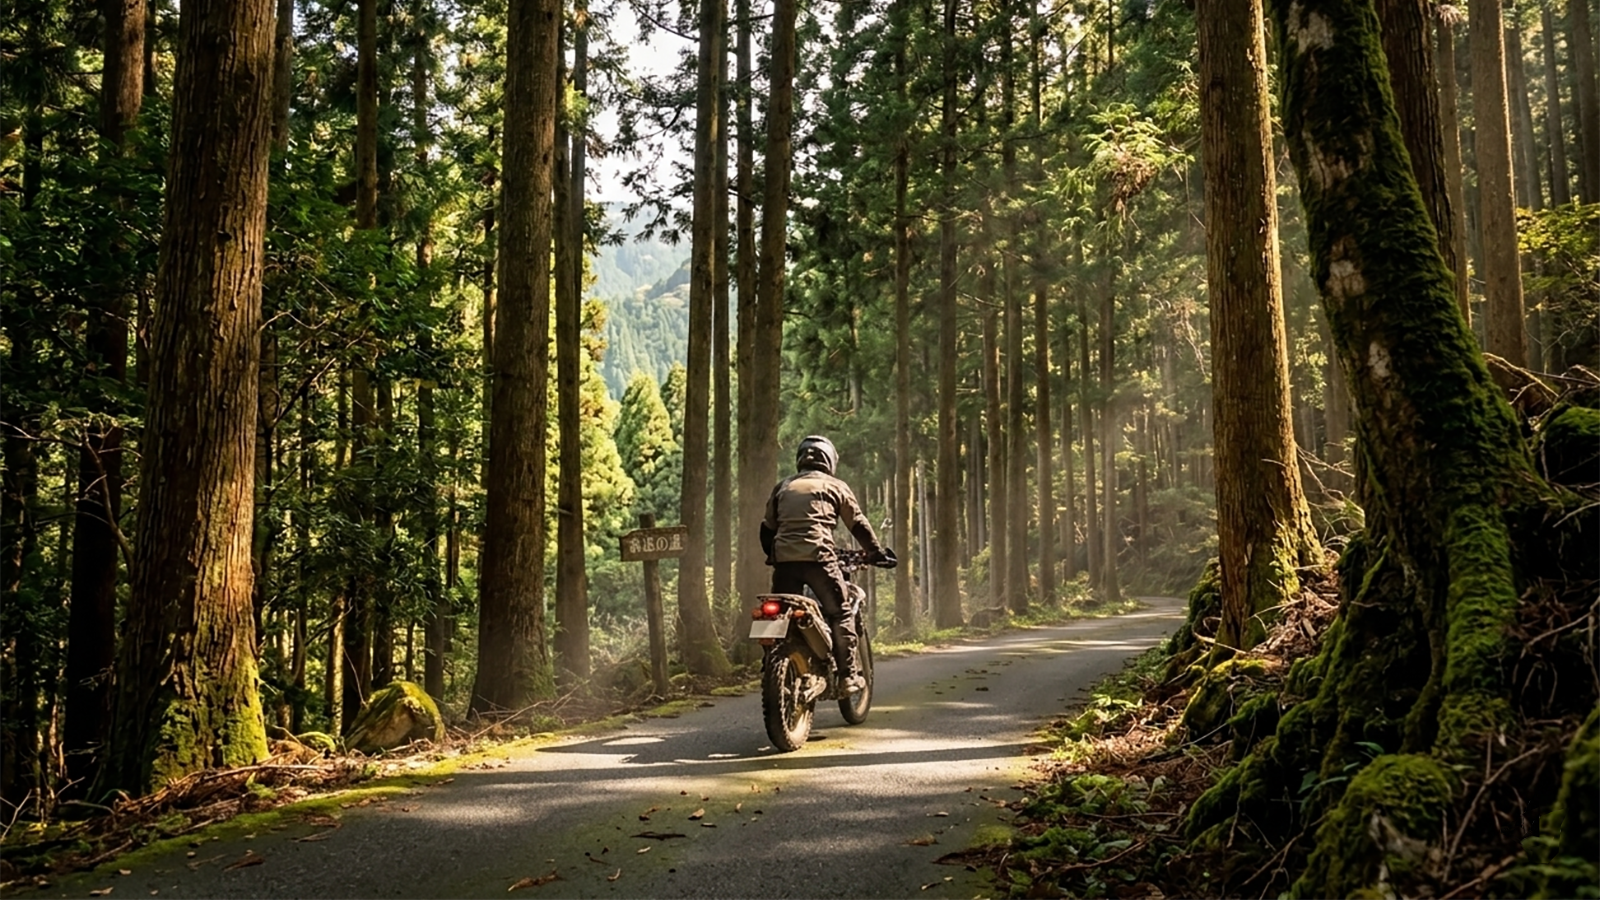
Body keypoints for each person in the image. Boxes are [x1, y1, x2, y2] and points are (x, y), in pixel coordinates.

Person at [760, 435, 890, 694]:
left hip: (785, 563)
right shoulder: (835, 486)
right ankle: (848, 676)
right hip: (820, 560)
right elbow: (858, 524)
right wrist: (875, 553)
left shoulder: (783, 487)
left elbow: (767, 529)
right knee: (840, 612)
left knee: (776, 614)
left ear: (800, 460)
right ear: (829, 460)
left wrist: (773, 555)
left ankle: (770, 661)